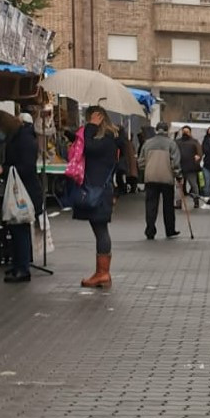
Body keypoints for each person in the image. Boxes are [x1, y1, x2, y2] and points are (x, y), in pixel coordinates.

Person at [0, 110, 44, 283]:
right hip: (19, 189)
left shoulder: (23, 139)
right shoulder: (17, 136)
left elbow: (26, 166)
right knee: (16, 229)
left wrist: (5, 168)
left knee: (20, 230)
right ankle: (19, 264)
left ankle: (23, 268)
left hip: (24, 191)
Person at [75, 107, 126, 289]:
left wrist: (89, 127)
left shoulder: (106, 139)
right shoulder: (110, 138)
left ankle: (102, 273)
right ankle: (101, 272)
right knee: (99, 229)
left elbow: (89, 148)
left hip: (99, 189)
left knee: (101, 229)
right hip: (101, 188)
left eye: (89, 119)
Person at [139, 122, 181, 239]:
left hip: (150, 178)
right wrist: (178, 175)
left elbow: (141, 161)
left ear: (156, 130)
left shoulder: (148, 143)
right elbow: (175, 162)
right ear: (167, 130)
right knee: (168, 206)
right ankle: (170, 230)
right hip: (167, 178)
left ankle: (150, 231)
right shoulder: (171, 144)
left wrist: (146, 169)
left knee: (151, 205)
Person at [176, 126, 203, 209]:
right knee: (179, 187)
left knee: (194, 185)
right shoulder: (177, 142)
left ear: (190, 132)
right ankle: (178, 203)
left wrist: (198, 158)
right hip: (180, 167)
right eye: (184, 131)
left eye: (187, 131)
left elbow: (200, 153)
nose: (185, 133)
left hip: (191, 168)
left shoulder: (194, 142)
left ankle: (196, 201)